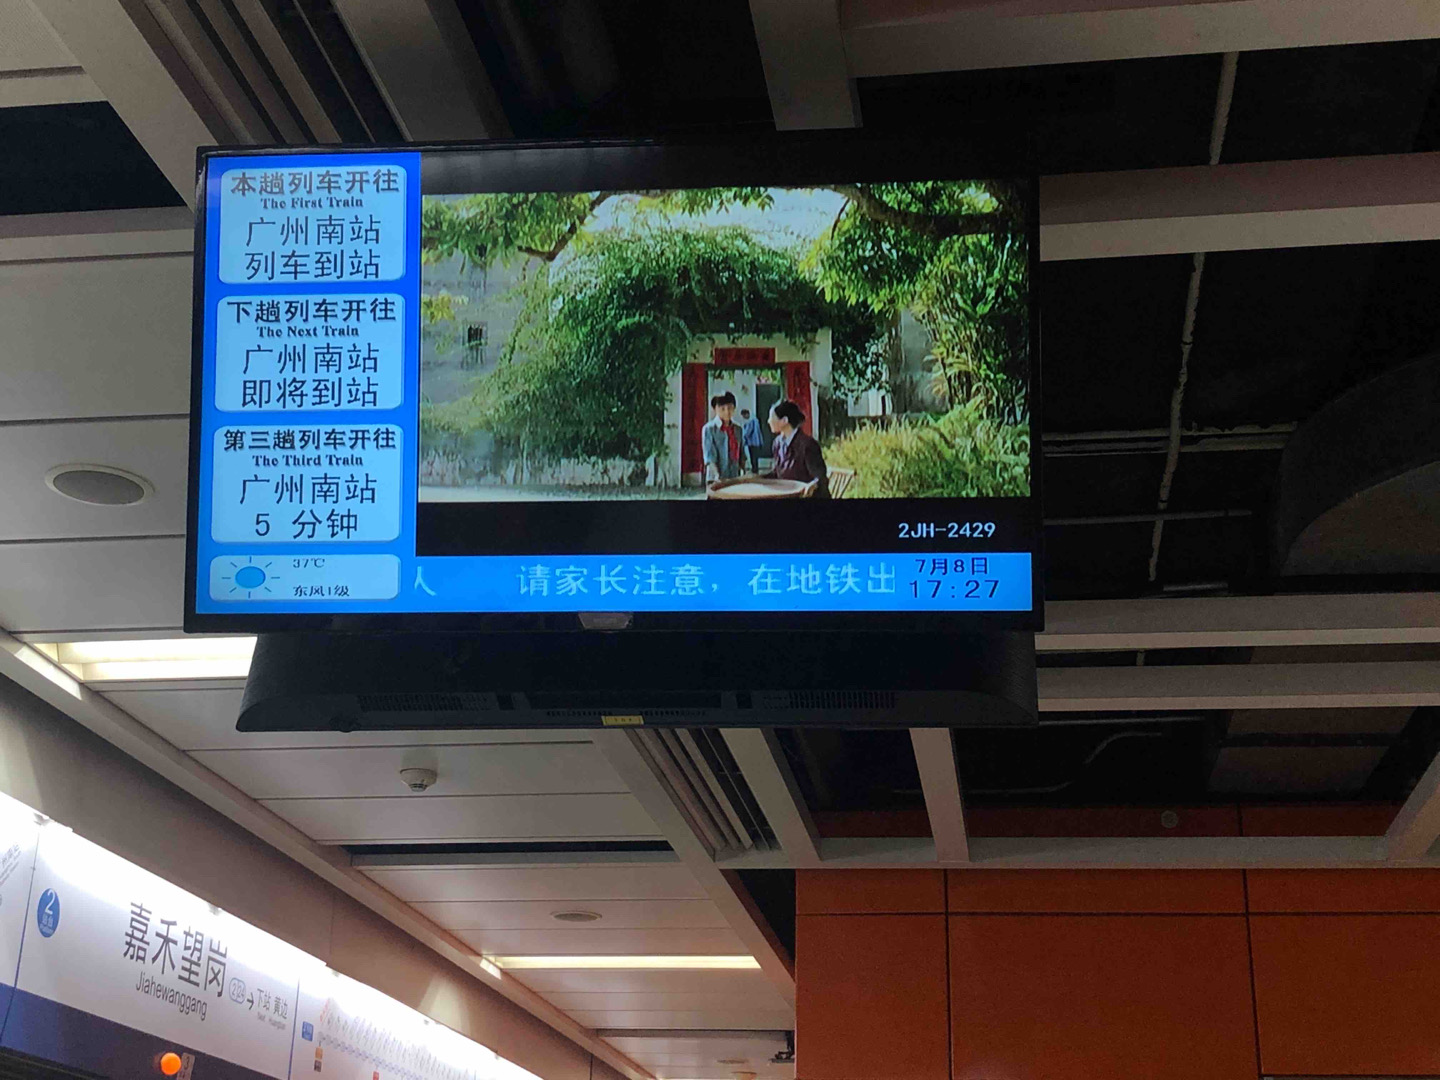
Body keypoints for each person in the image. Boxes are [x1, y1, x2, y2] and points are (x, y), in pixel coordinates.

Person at [766, 399, 828, 497]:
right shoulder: (777, 443)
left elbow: (820, 477)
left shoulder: (808, 445)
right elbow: (777, 473)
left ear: (784, 421)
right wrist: (754, 478)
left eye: (771, 417)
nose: (769, 421)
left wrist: (812, 485)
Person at [701, 392, 743, 484]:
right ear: (715, 409)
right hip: (715, 479)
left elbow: (741, 454)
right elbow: (709, 456)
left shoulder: (738, 429)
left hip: (734, 477)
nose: (727, 412)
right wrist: (717, 476)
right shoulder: (709, 429)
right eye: (722, 409)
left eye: (730, 408)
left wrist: (743, 472)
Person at [739, 408, 764, 473]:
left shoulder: (750, 421)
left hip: (752, 442)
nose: (744, 418)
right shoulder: (755, 420)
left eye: (744, 416)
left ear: (747, 414)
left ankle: (754, 470)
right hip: (756, 442)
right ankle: (755, 469)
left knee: (753, 457)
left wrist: (743, 434)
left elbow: (747, 432)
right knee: (755, 457)